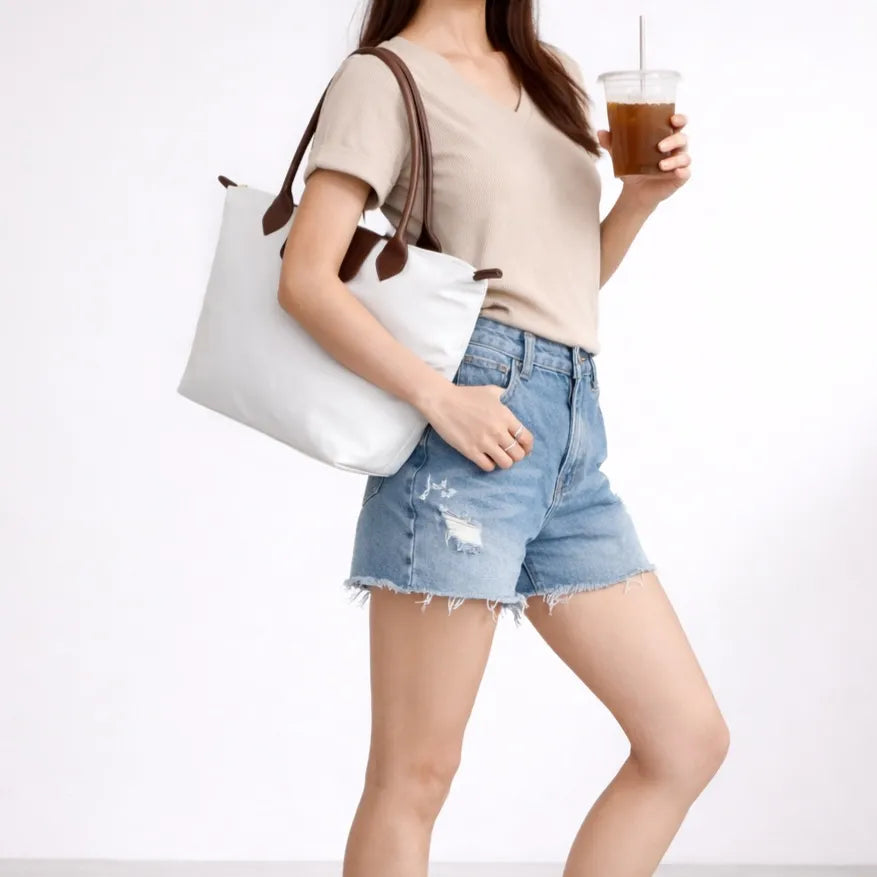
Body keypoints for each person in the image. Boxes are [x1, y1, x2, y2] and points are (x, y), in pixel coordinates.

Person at [279, 1, 728, 874]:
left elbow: (564, 282)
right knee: (414, 775)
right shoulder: (385, 77)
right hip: (462, 435)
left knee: (685, 740)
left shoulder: (548, 72)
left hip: (569, 433)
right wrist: (440, 400)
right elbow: (304, 276)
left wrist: (635, 201)